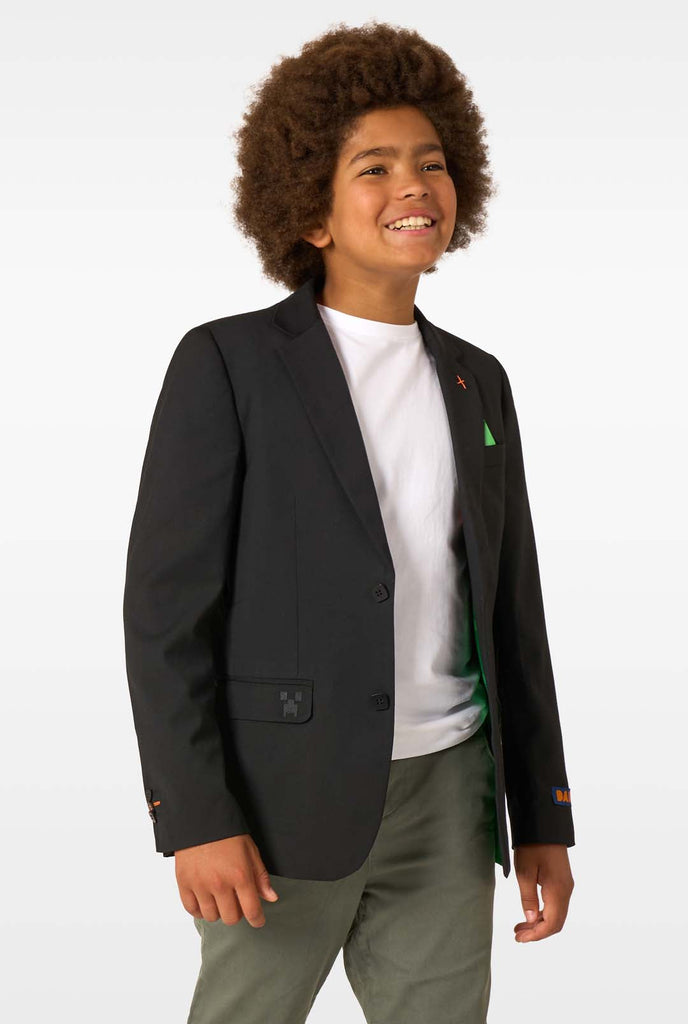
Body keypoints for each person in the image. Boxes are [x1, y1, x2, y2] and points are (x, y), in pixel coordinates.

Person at [122, 19, 575, 1024]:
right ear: (311, 212)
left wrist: (540, 813)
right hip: (279, 802)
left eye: (431, 162)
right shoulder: (229, 365)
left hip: (450, 798)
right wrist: (193, 816)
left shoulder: (478, 380)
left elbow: (513, 610)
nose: (414, 184)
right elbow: (164, 616)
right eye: (374, 167)